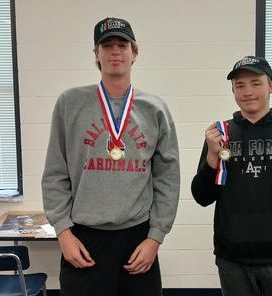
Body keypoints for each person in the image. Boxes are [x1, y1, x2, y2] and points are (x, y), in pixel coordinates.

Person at [42, 16, 180, 296]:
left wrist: (155, 238)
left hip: (137, 239)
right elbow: (55, 173)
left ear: (134, 53)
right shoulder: (70, 103)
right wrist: (63, 232)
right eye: (106, 46)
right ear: (96, 54)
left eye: (122, 44)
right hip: (84, 238)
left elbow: (168, 178)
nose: (115, 51)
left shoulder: (155, 109)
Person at [191, 56, 272, 296]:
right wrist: (211, 159)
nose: (248, 91)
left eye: (255, 83)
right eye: (240, 85)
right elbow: (202, 196)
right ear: (232, 91)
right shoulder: (221, 135)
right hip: (233, 260)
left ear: (271, 86)